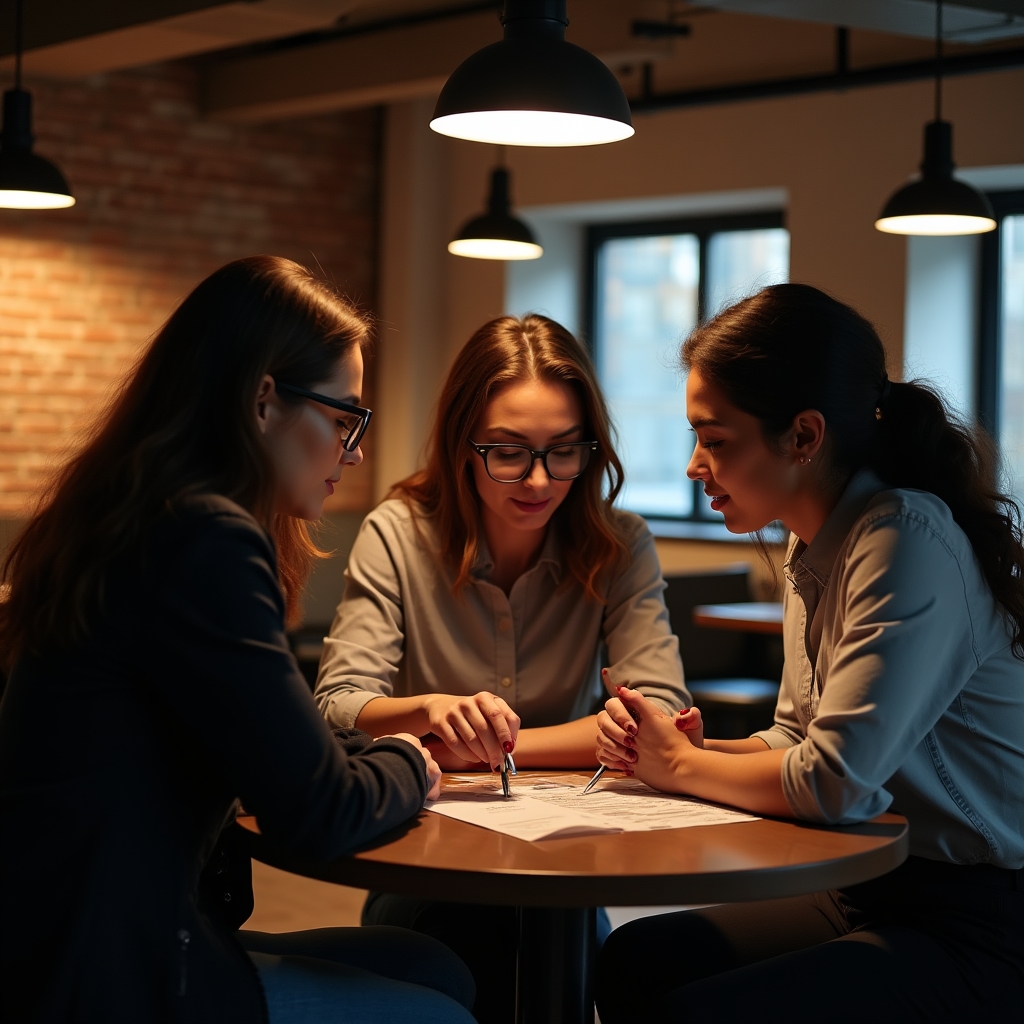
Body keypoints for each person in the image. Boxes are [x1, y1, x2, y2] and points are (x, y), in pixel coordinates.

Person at [0, 256, 476, 1024]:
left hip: (57, 936)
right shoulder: (205, 538)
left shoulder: (134, 518)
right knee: (441, 1013)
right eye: (344, 417)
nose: (353, 453)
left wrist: (382, 748)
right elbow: (316, 811)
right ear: (263, 401)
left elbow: (259, 747)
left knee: (430, 965)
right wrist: (410, 763)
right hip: (110, 971)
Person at [594, 283, 1024, 1023]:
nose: (697, 466)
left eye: (716, 440)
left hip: (980, 917)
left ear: (803, 435)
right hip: (868, 884)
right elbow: (796, 739)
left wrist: (683, 768)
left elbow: (835, 785)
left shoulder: (903, 538)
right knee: (636, 960)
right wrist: (687, 749)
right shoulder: (814, 536)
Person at [314, 313, 689, 1021]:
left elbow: (658, 716)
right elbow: (336, 702)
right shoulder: (397, 533)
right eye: (508, 453)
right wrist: (428, 713)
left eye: (566, 451)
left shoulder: (620, 544)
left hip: (566, 862)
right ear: (463, 443)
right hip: (429, 861)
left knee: (589, 979)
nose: (541, 480)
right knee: (464, 967)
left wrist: (474, 751)